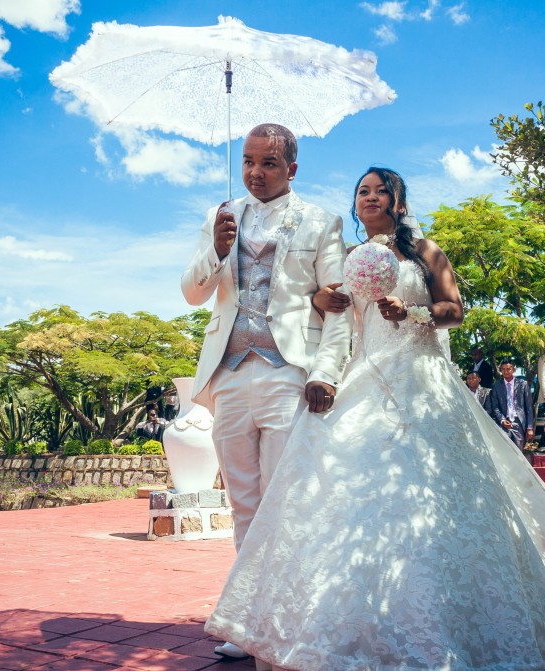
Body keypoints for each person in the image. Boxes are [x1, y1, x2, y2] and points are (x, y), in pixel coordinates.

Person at [205, 167, 545, 671]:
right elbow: (336, 320)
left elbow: (455, 311)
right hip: (366, 377)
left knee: (439, 492)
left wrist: (408, 311)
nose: (369, 198)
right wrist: (325, 302)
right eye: (362, 191)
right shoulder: (346, 256)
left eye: (380, 191)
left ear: (398, 201)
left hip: (423, 378)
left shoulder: (426, 251)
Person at [179, 124, 353, 660]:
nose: (255, 172)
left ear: (292, 169)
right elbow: (191, 293)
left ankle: (289, 619)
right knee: (245, 505)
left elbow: (338, 305)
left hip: (287, 372)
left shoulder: (322, 222)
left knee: (284, 503)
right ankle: (246, 622)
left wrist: (325, 372)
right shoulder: (221, 217)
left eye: (269, 163)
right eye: (248, 162)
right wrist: (216, 250)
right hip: (229, 373)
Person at [487, 361, 535, 450]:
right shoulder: (496, 386)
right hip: (504, 421)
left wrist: (529, 427)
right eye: (503, 369)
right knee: (504, 449)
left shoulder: (522, 384)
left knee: (518, 450)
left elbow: (529, 407)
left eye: (508, 369)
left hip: (519, 422)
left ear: (513, 370)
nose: (506, 371)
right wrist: (502, 420)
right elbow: (495, 406)